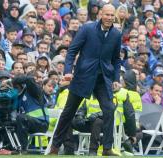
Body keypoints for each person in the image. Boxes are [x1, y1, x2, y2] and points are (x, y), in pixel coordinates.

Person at [49, 4, 121, 156]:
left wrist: (116, 78)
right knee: (69, 112)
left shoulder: (116, 34)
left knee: (109, 110)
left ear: (114, 16)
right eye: (106, 14)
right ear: (101, 14)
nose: (109, 17)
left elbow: (116, 59)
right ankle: (54, 147)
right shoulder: (87, 29)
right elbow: (72, 51)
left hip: (103, 79)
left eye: (111, 15)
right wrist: (68, 71)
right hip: (83, 77)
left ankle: (107, 148)